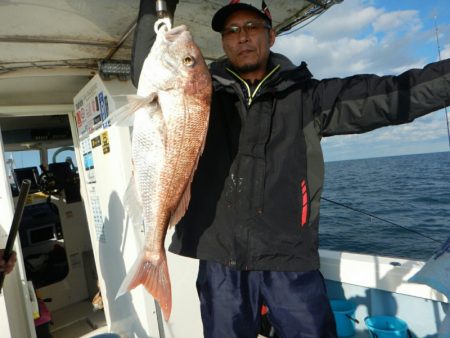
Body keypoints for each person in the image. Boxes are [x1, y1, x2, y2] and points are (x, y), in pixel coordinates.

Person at [129, 1, 450, 337]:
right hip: (220, 262)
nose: (243, 37)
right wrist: (154, 8)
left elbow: (391, 95)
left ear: (272, 35)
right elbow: (145, 75)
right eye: (232, 31)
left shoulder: (307, 96)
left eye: (252, 27)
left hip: (291, 260)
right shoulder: (202, 94)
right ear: (223, 42)